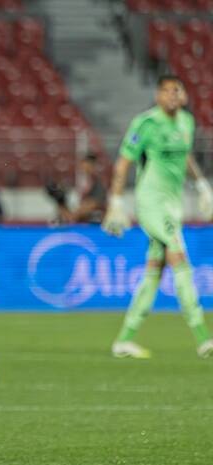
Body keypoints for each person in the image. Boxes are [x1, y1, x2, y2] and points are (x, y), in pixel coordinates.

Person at [102, 74, 213, 359]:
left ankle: (124, 339)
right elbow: (124, 163)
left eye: (178, 90)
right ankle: (203, 338)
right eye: (167, 91)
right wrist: (115, 201)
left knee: (154, 269)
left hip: (173, 204)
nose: (173, 95)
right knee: (180, 257)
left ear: (185, 96)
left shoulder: (187, 122)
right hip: (151, 202)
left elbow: (185, 156)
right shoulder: (146, 124)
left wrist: (202, 185)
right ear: (158, 95)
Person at [46, 154, 107, 225]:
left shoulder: (98, 183)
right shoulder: (88, 182)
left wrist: (73, 215)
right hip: (85, 219)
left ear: (92, 165)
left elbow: (93, 204)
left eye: (86, 165)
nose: (83, 168)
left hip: (94, 223)